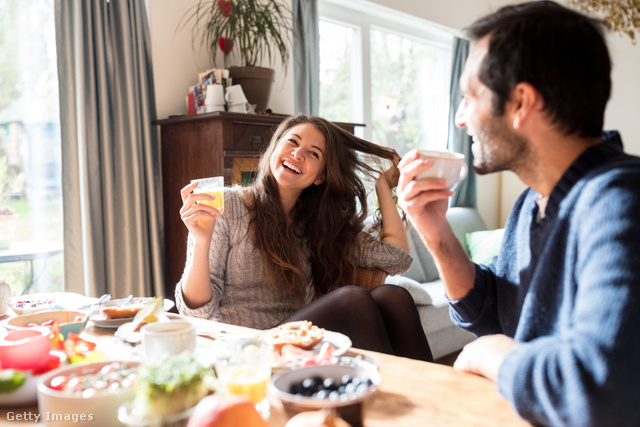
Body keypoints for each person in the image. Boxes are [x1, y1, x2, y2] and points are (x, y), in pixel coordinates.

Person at [397, 1, 640, 426]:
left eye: (469, 97)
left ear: (521, 102)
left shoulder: (620, 199)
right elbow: (496, 315)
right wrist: (435, 232)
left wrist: (494, 355)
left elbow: (602, 390)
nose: (460, 118)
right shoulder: (531, 201)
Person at [175, 113, 433, 361]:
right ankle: (385, 397)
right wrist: (201, 240)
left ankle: (430, 399)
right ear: (276, 148)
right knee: (352, 299)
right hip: (247, 344)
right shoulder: (226, 205)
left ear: (320, 176)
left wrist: (382, 187)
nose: (298, 154)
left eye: (313, 153)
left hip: (298, 337)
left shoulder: (318, 225)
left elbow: (398, 260)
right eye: (292, 142)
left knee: (392, 296)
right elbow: (198, 312)